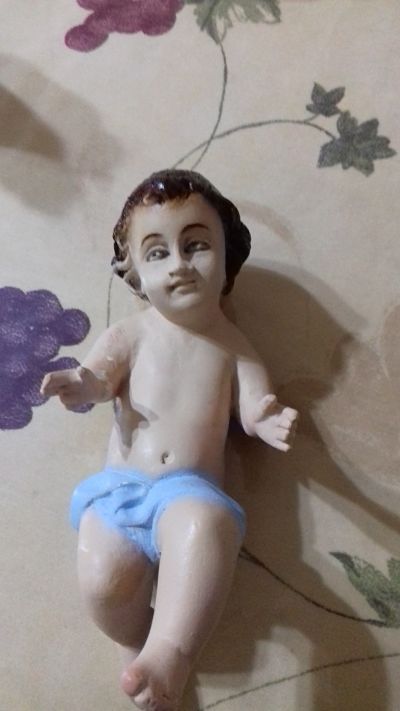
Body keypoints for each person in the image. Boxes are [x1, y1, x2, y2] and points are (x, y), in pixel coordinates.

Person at [41, 169, 298, 711]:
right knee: (103, 581)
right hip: (119, 489)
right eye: (157, 253)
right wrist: (81, 384)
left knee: (206, 530)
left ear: (227, 256)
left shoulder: (233, 346)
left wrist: (265, 418)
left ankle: (171, 655)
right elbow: (98, 377)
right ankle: (138, 642)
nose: (178, 264)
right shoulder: (130, 334)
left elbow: (254, 404)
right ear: (134, 272)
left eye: (196, 245)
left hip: (188, 490)